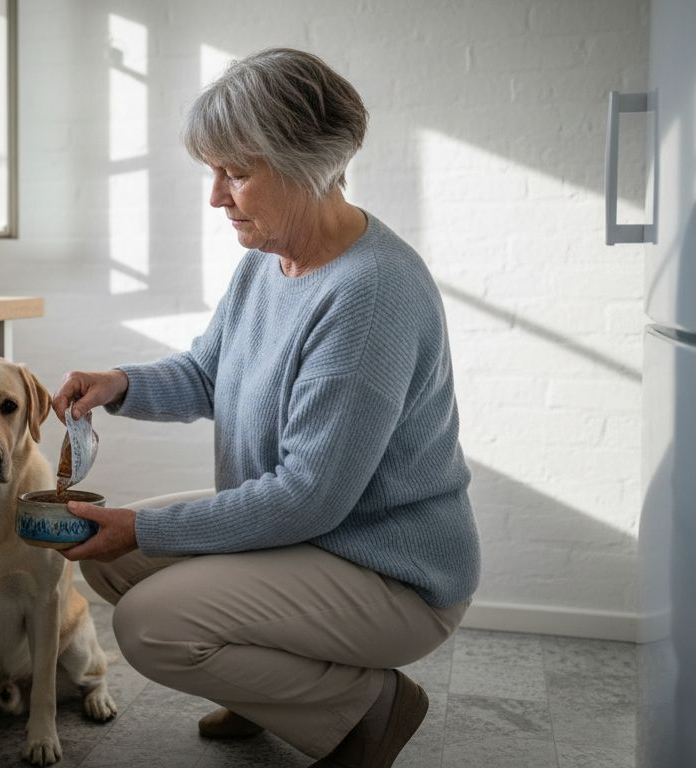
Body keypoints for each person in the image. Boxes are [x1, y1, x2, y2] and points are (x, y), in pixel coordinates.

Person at [50, 48, 480, 768]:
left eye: (237, 172)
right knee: (112, 563)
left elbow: (306, 498)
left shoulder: (369, 297)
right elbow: (208, 372)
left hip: (390, 570)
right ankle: (268, 691)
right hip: (313, 537)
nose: (217, 195)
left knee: (151, 622)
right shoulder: (268, 259)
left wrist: (140, 525)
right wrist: (119, 384)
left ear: (307, 166)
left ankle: (367, 709)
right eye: (213, 171)